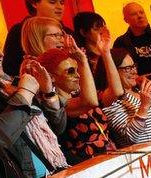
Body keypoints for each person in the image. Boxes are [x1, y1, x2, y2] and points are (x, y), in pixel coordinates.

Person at [0, 30, 67, 178]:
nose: (1, 53)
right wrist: (25, 93)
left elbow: (59, 126)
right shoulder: (16, 92)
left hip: (53, 174)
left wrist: (48, 93)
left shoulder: (9, 88)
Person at [39, 34, 123, 164]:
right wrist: (83, 61)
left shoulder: (79, 96)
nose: (78, 75)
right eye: (71, 71)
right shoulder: (56, 105)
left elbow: (116, 91)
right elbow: (90, 102)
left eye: (78, 70)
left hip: (110, 159)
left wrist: (106, 54)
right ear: (52, 77)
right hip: (86, 166)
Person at [100, 48, 151, 147]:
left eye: (134, 66)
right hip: (145, 157)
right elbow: (131, 137)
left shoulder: (142, 92)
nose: (134, 72)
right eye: (127, 68)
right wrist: (144, 107)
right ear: (112, 72)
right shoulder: (113, 102)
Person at [2, 0, 74, 77]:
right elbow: (10, 69)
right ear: (34, 3)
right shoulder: (20, 30)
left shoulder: (69, 33)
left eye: (62, 3)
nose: (59, 7)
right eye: (52, 2)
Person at [73, 12, 107, 76]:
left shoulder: (108, 52)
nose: (102, 31)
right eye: (96, 28)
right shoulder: (81, 57)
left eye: (103, 27)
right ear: (83, 32)